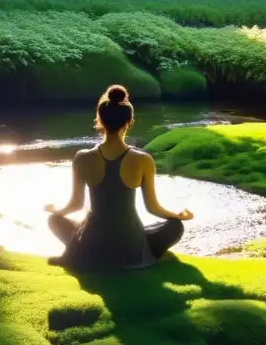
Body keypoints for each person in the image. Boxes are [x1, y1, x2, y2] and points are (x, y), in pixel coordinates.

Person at [45, 84, 193, 270]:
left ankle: (82, 251)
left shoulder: (82, 157)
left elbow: (75, 204)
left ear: (99, 119)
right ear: (129, 122)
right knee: (175, 227)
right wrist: (178, 215)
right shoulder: (143, 159)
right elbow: (153, 208)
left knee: (54, 220)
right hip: (129, 246)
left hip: (92, 245)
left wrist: (56, 210)